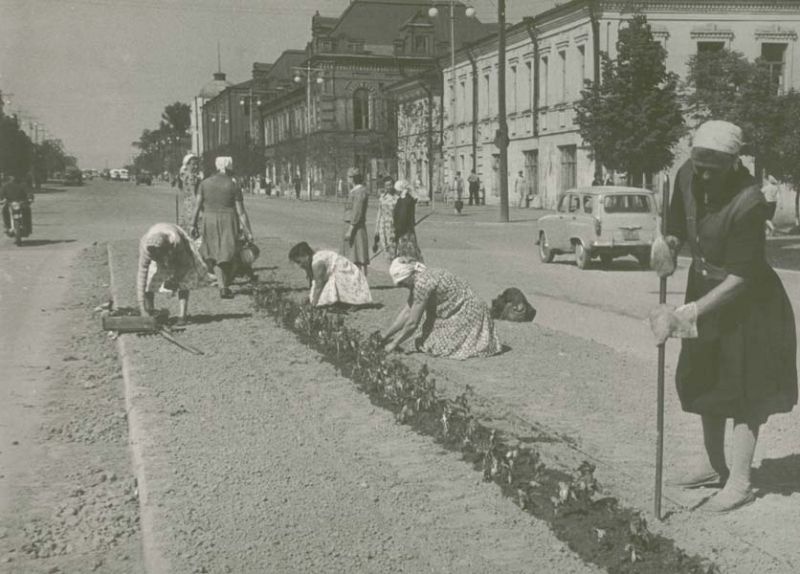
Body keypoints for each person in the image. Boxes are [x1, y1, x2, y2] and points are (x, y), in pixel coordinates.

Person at [649, 120, 797, 513]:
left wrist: (684, 314)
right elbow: (678, 226)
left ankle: (741, 480)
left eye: (713, 165)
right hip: (704, 285)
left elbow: (743, 277)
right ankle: (715, 465)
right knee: (705, 375)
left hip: (750, 302)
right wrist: (667, 244)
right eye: (699, 162)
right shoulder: (685, 176)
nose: (703, 172)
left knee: (746, 388)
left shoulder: (748, 202)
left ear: (734, 162)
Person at [382, 257, 501, 359]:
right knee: (421, 336)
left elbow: (413, 322)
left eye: (402, 283)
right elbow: (407, 311)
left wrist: (393, 344)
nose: (402, 286)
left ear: (408, 276)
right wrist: (385, 335)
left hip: (470, 312)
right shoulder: (420, 276)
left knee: (432, 344)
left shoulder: (422, 284)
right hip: (459, 308)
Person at [191, 156, 254, 299]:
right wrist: (248, 231)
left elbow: (197, 206)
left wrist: (193, 224)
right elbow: (241, 212)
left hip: (209, 219)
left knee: (214, 253)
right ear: (230, 168)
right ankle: (224, 286)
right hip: (228, 219)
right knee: (228, 253)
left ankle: (222, 286)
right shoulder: (233, 185)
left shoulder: (204, 183)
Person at [136, 222, 212, 326]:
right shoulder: (146, 248)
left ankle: (182, 316)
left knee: (184, 281)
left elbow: (185, 264)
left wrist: (174, 281)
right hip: (160, 240)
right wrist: (141, 307)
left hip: (175, 248)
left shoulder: (176, 242)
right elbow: (142, 275)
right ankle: (149, 312)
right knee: (149, 280)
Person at [289, 241, 372, 307]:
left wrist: (313, 304)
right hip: (337, 272)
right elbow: (315, 283)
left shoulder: (317, 263)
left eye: (299, 262)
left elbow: (319, 285)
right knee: (321, 298)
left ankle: (354, 303)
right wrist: (310, 297)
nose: (299, 265)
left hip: (348, 274)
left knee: (321, 297)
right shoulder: (313, 260)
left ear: (306, 256)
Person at [342, 167, 369, 275]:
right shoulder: (354, 191)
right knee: (352, 254)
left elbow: (357, 212)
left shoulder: (360, 192)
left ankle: (361, 278)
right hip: (351, 226)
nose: (347, 179)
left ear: (353, 178)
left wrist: (350, 229)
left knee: (359, 254)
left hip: (355, 228)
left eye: (349, 177)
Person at [393, 179, 424, 262]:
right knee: (410, 254)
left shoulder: (404, 201)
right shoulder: (407, 199)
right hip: (408, 231)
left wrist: (397, 231)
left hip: (404, 233)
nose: (396, 192)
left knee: (406, 256)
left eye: (397, 190)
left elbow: (402, 217)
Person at [373, 175, 398, 262]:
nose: (388, 187)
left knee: (393, 247)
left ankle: (393, 264)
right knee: (384, 247)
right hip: (382, 225)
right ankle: (389, 265)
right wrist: (376, 229)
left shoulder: (396, 198)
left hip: (392, 225)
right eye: (387, 185)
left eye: (390, 185)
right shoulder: (382, 198)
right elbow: (379, 213)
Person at [178, 153, 202, 231]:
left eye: (197, 164)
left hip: (186, 205)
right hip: (193, 206)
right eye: (193, 164)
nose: (196, 166)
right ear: (187, 165)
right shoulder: (192, 177)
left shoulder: (184, 175)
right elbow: (193, 194)